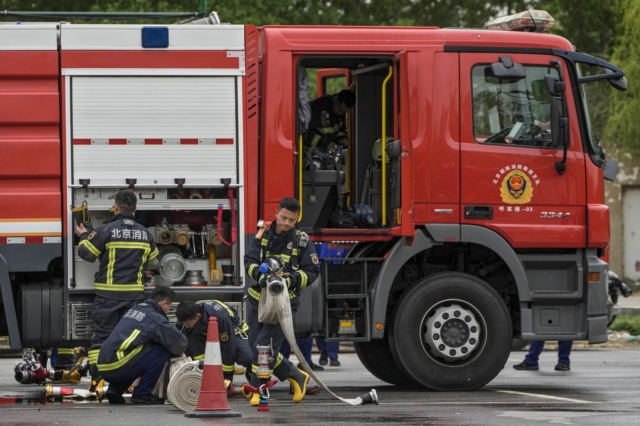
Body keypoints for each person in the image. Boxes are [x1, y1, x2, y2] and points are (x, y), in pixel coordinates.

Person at [76, 189, 160, 392]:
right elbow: (154, 262)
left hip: (108, 297)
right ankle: (127, 380)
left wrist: (85, 235)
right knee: (129, 339)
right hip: (134, 297)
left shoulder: (106, 230)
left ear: (115, 207)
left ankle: (98, 381)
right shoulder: (145, 234)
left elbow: (86, 253)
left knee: (101, 339)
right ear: (136, 209)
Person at [244, 197, 320, 406]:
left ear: (297, 220)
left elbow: (312, 272)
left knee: (264, 349)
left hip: (284, 304)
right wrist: (261, 277)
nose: (286, 223)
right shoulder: (262, 235)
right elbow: (249, 261)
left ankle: (259, 391)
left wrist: (290, 279)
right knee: (255, 349)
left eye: (292, 220)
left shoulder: (302, 241)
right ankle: (297, 375)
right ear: (276, 213)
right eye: (284, 217)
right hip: (258, 302)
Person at [97, 286, 187, 404]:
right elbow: (178, 341)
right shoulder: (154, 317)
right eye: (169, 307)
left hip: (104, 365)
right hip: (117, 366)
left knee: (138, 351)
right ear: (163, 303)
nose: (168, 310)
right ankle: (142, 393)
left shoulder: (135, 308)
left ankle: (115, 389)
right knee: (161, 350)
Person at [175, 300, 252, 387]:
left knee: (247, 357)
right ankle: (202, 378)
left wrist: (227, 378)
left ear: (198, 316)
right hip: (203, 332)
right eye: (183, 323)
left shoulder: (221, 317)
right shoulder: (185, 317)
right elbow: (179, 338)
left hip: (232, 330)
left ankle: (253, 381)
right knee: (191, 341)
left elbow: (228, 347)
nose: (185, 326)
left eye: (188, 324)